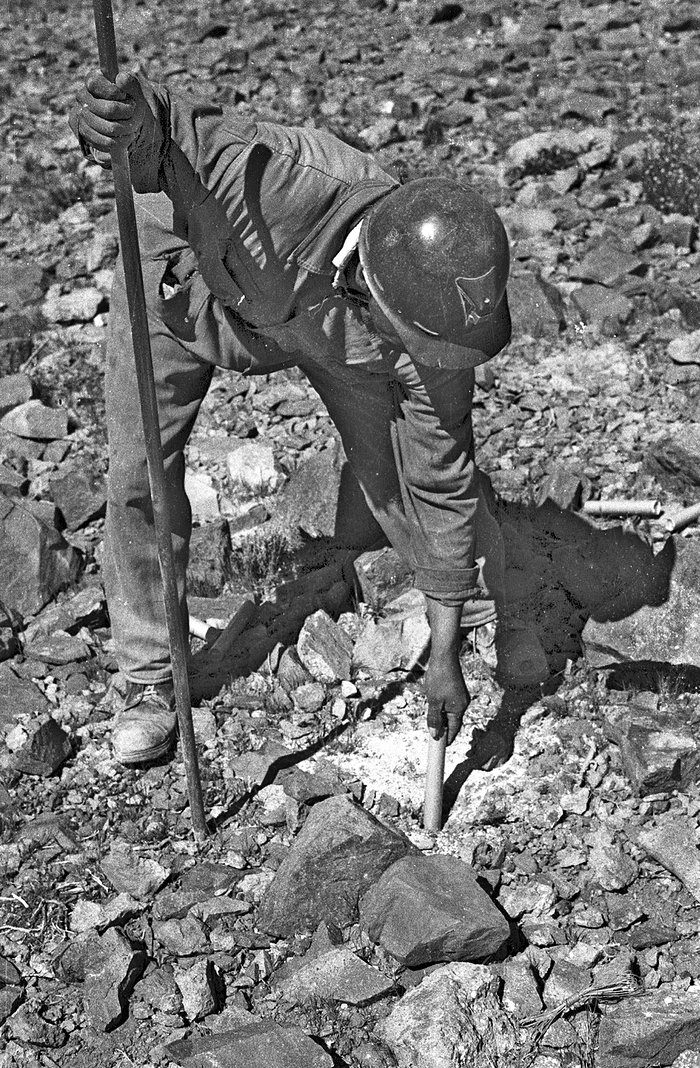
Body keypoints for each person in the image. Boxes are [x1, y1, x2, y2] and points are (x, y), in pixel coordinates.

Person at [70, 70, 548, 766]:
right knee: (139, 475)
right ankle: (150, 678)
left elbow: (441, 479)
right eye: (415, 345)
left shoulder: (436, 322)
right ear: (377, 294)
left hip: (309, 320)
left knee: (399, 472)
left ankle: (461, 610)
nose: (430, 362)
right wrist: (118, 122)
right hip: (182, 287)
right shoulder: (268, 179)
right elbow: (167, 131)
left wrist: (446, 658)